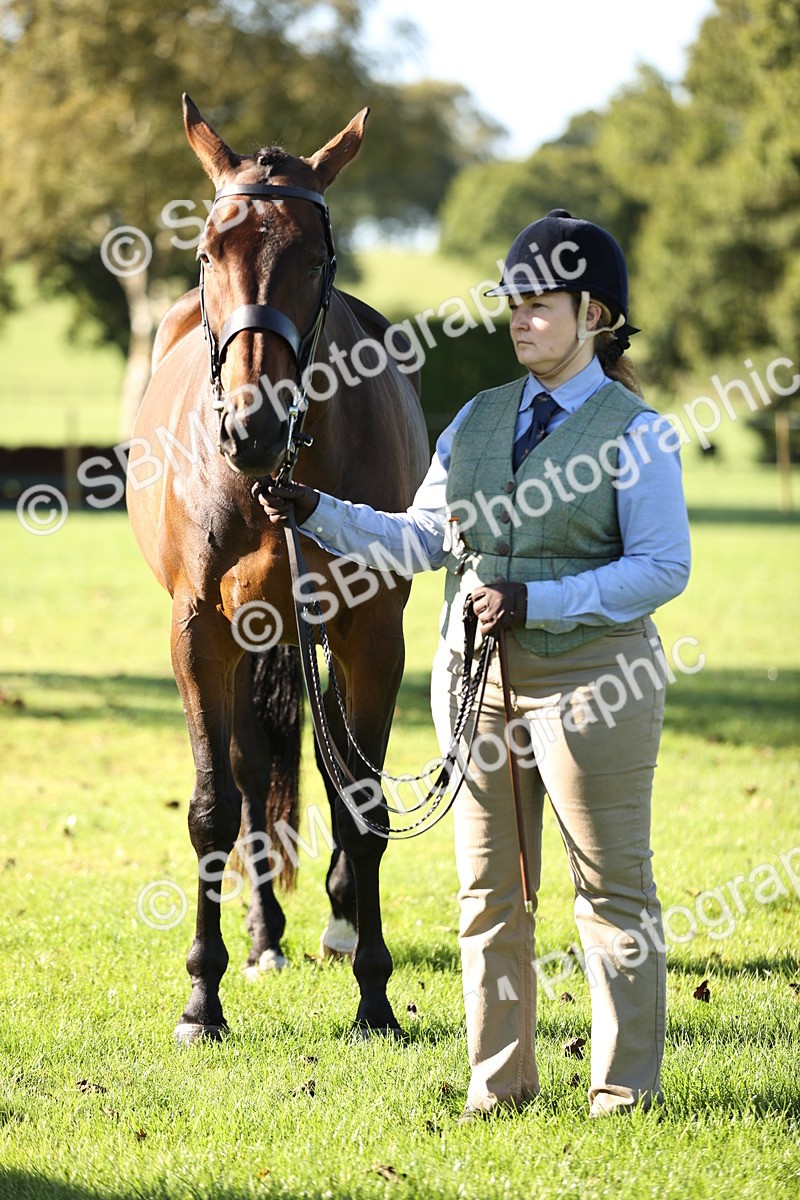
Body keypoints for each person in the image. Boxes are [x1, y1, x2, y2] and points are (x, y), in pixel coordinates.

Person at [258, 210, 691, 1120]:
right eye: (514, 302)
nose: (521, 318)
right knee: (487, 894)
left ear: (597, 317)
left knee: (611, 892)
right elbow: (420, 539)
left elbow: (662, 569)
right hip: (478, 682)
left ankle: (624, 1091)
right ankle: (500, 1087)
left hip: (593, 679)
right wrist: (314, 510)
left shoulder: (637, 431)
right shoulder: (476, 420)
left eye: (542, 304)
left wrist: (540, 601)